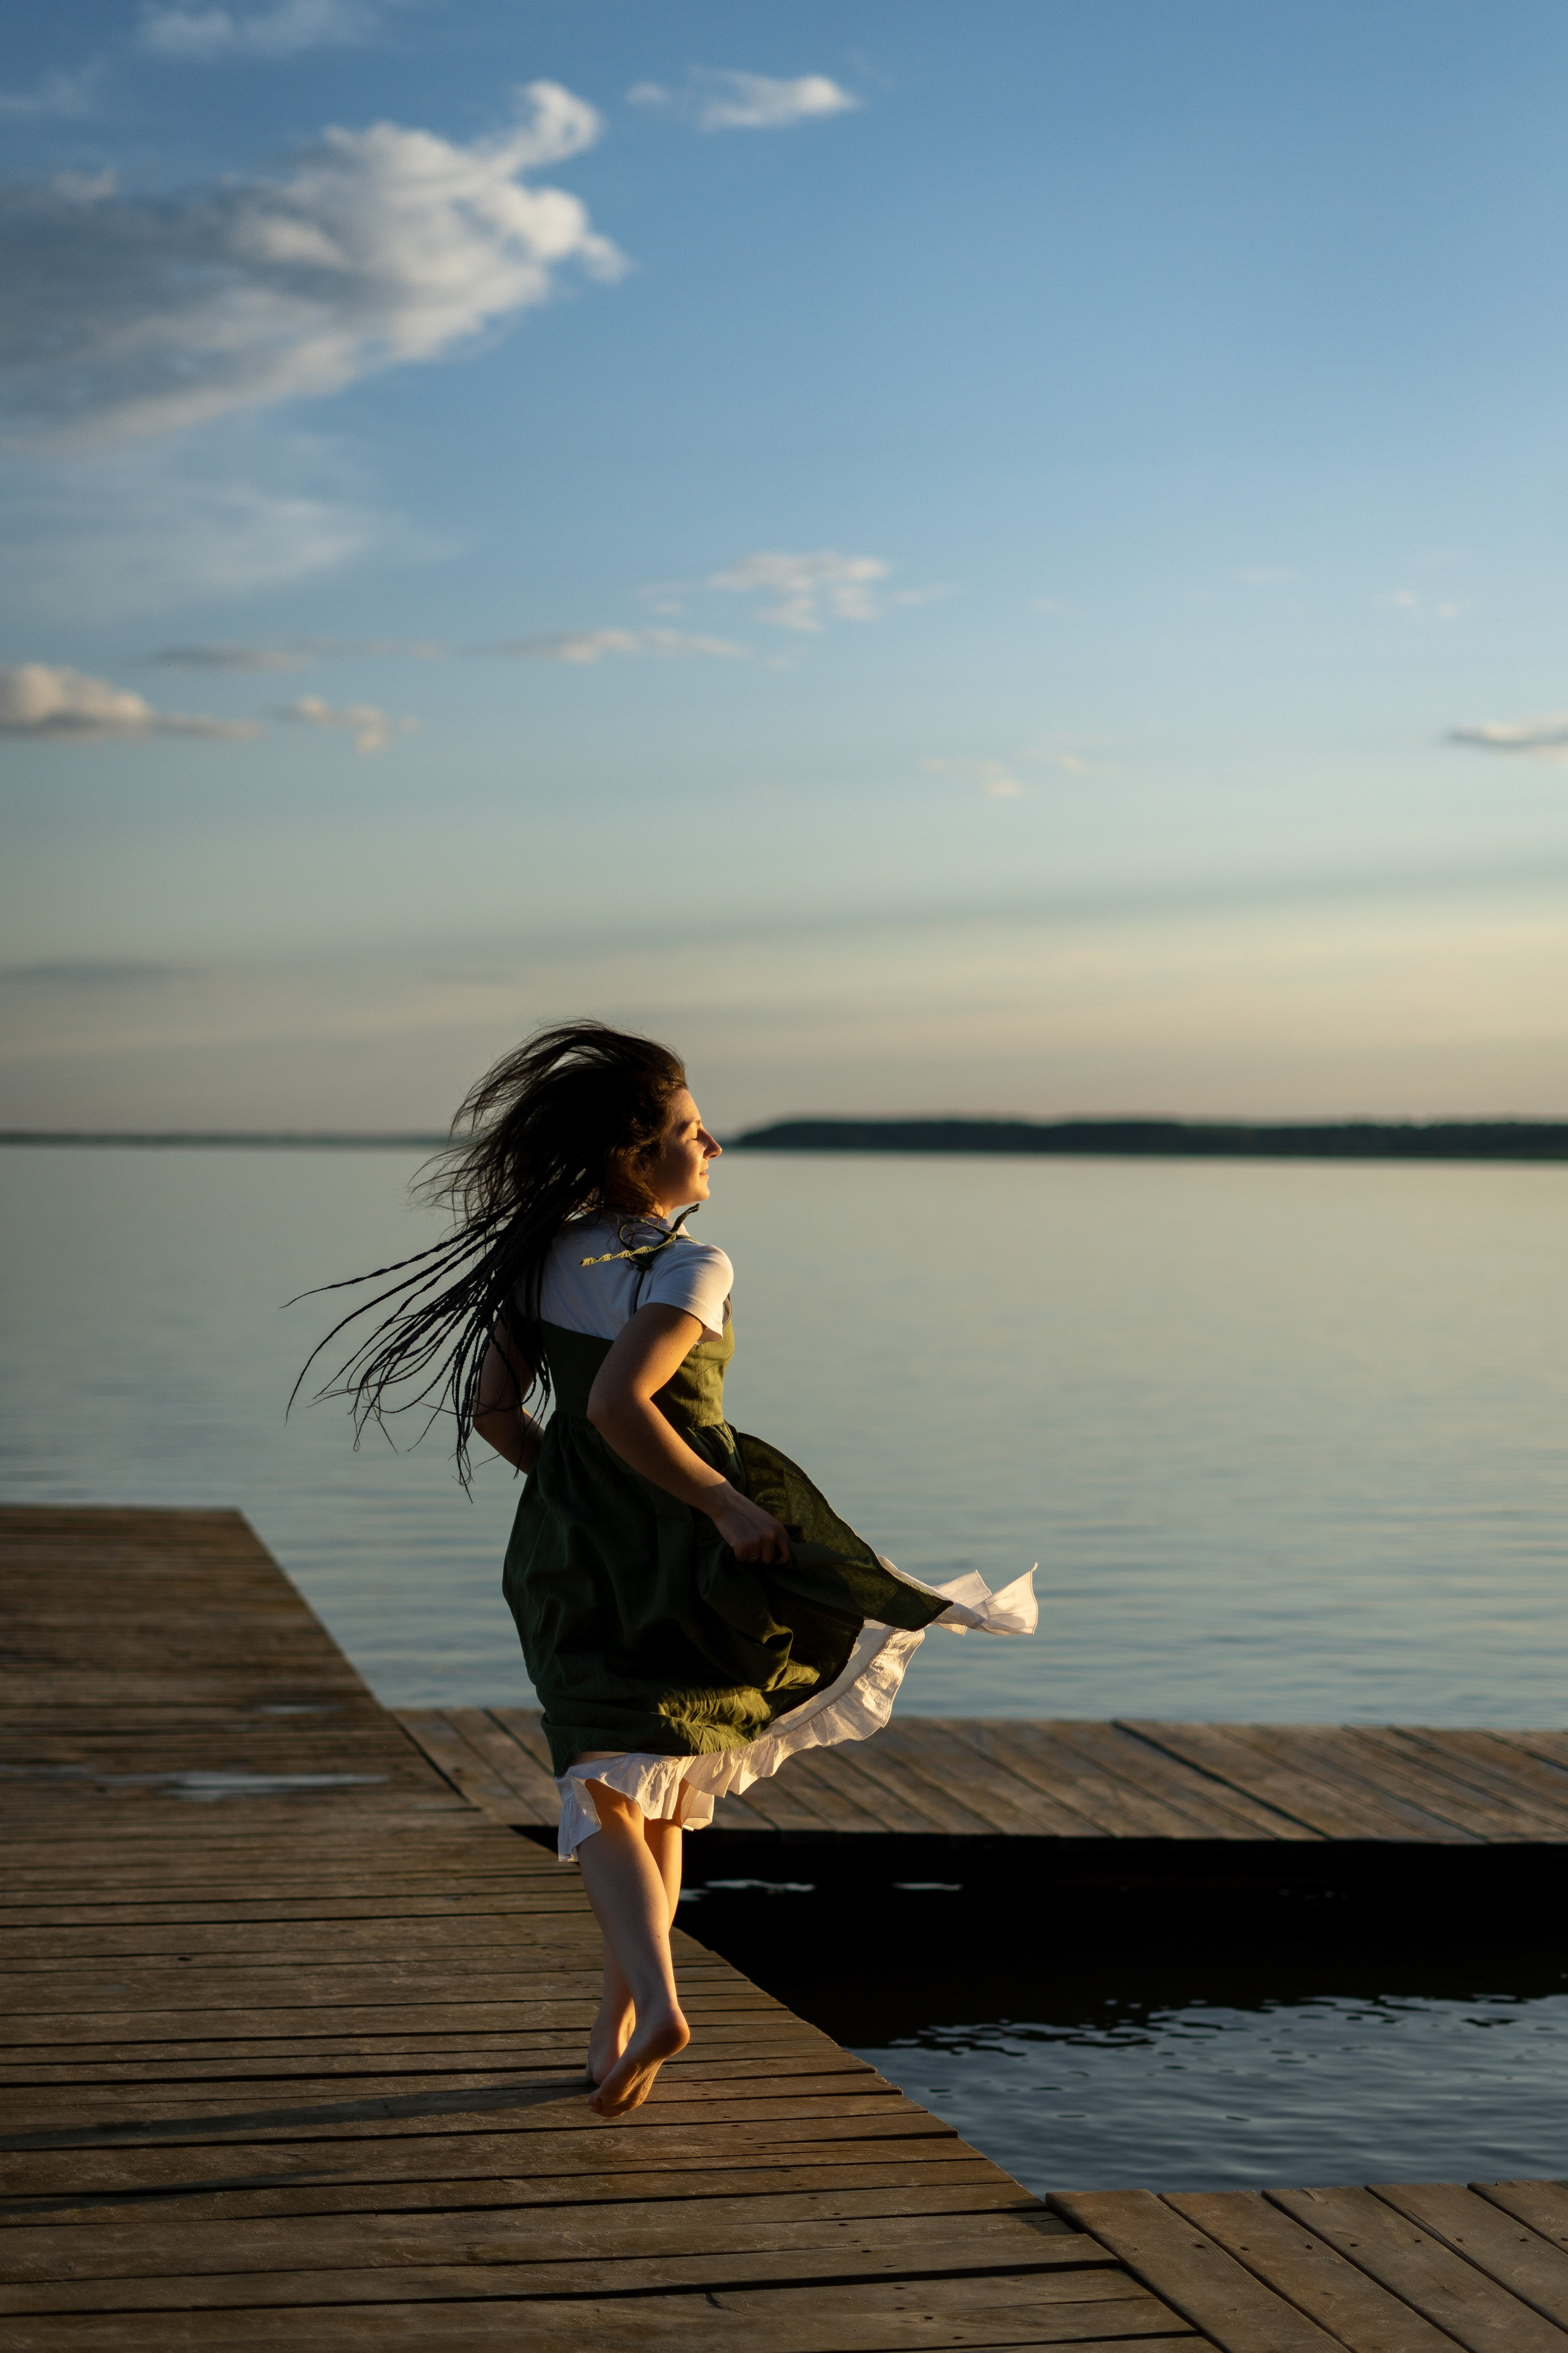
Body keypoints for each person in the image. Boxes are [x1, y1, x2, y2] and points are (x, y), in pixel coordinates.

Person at [303, 1021, 1035, 2120]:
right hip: (696, 1544)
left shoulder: (536, 1255)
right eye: (693, 1130)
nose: (714, 1146)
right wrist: (725, 1502)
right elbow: (621, 1401)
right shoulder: (693, 1263)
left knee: (613, 1773)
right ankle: (638, 2012)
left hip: (576, 1554)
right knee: (649, 1780)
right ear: (634, 1155)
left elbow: (497, 1412)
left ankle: (631, 2018)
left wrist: (576, 1490)